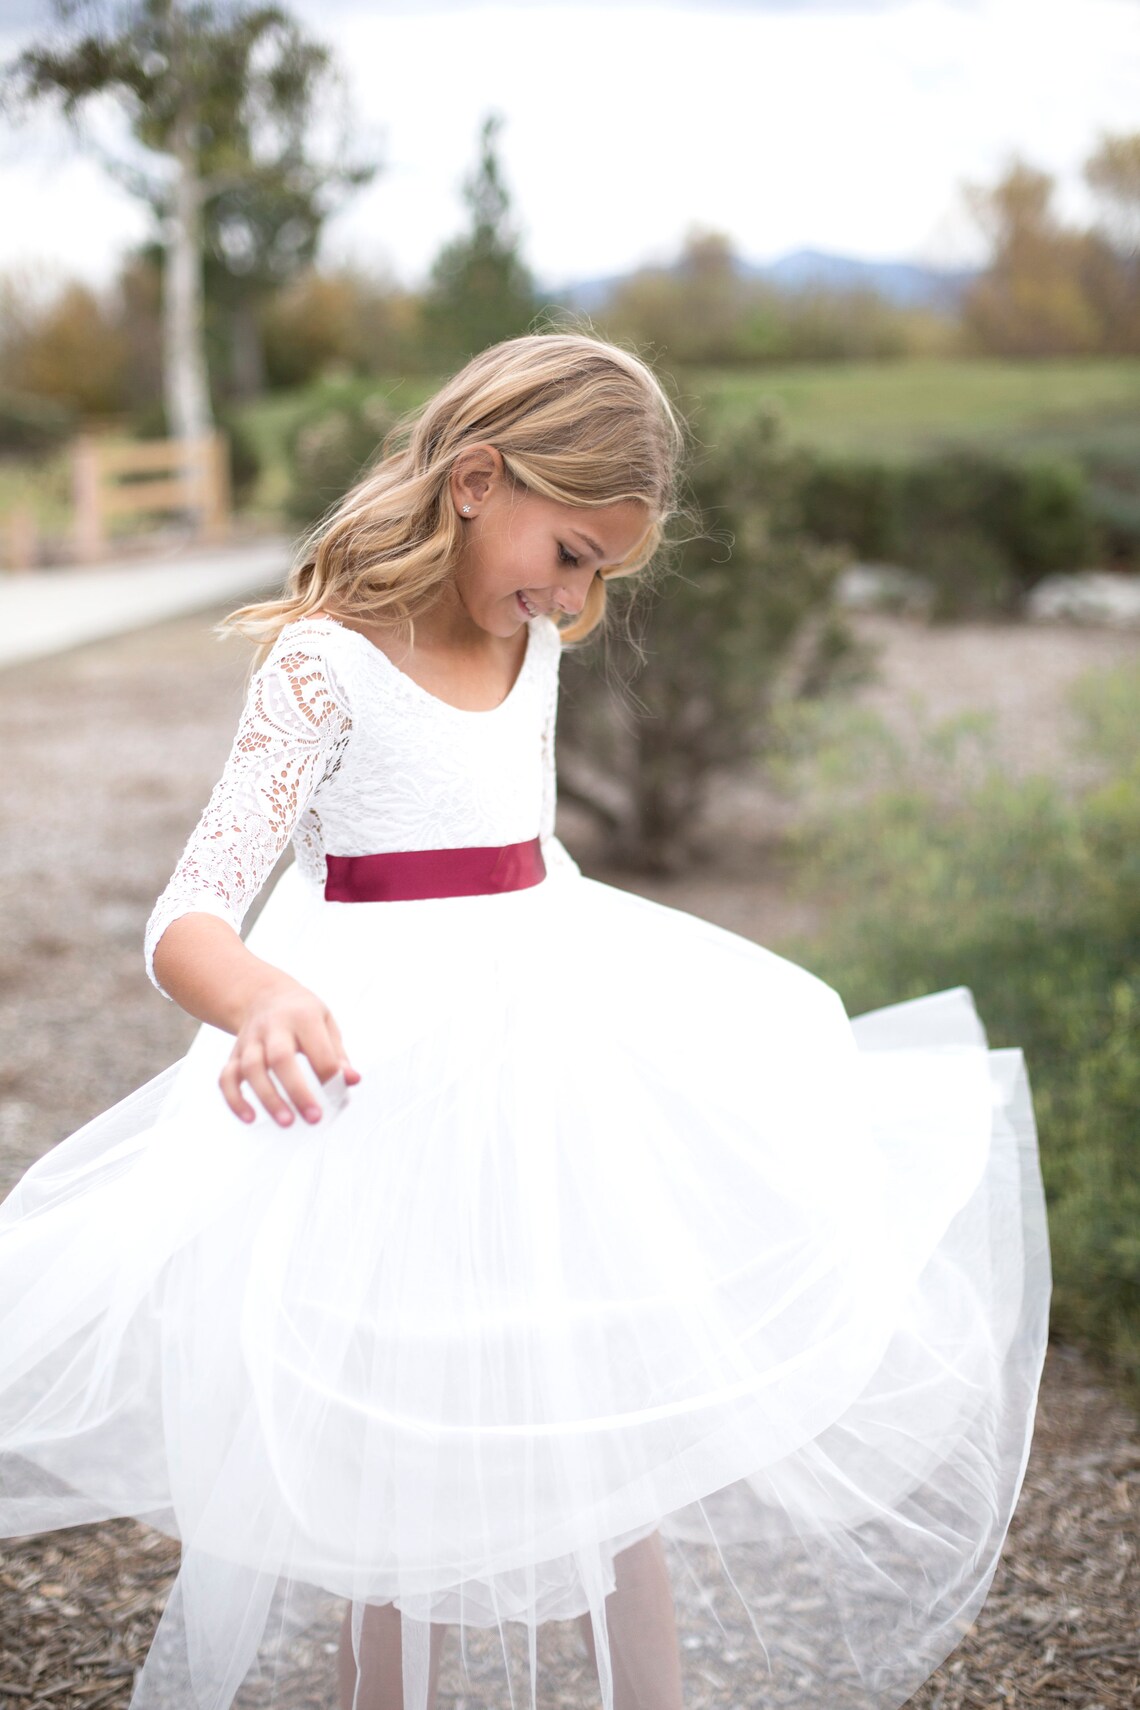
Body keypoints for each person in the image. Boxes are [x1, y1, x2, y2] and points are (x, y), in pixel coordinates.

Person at [0, 333, 1049, 1710]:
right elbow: (186, 913)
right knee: (403, 1473)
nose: (573, 594)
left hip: (551, 1067)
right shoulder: (325, 665)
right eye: (567, 551)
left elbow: (521, 856)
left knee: (616, 1425)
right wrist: (258, 998)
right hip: (378, 1087)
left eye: (601, 571)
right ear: (478, 479)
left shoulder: (533, 641)